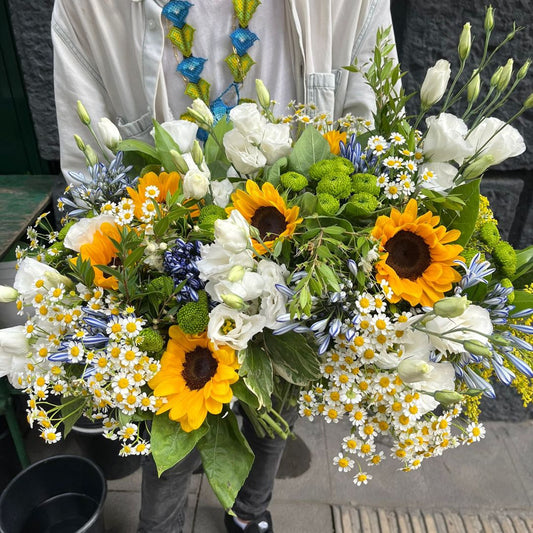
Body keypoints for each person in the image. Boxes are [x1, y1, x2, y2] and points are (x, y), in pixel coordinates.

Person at [52, 1, 396, 531]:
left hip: (302, 265)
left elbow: (375, 131)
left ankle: (251, 512)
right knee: (173, 430)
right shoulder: (90, 9)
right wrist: (122, 282)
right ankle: (160, 526)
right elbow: (88, 174)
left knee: (276, 411)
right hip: (168, 277)